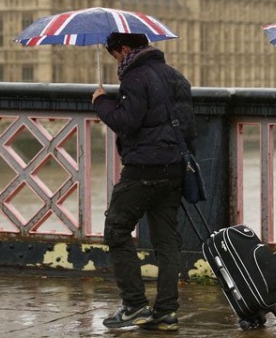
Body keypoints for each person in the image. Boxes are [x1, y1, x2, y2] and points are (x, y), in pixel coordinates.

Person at [92, 32, 197, 331]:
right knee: (167, 241)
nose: (115, 61)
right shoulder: (176, 76)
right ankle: (166, 312)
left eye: (114, 54)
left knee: (116, 229)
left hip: (144, 169)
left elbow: (126, 122)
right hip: (174, 168)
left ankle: (134, 304)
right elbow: (189, 128)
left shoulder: (135, 77)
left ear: (125, 49)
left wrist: (101, 103)